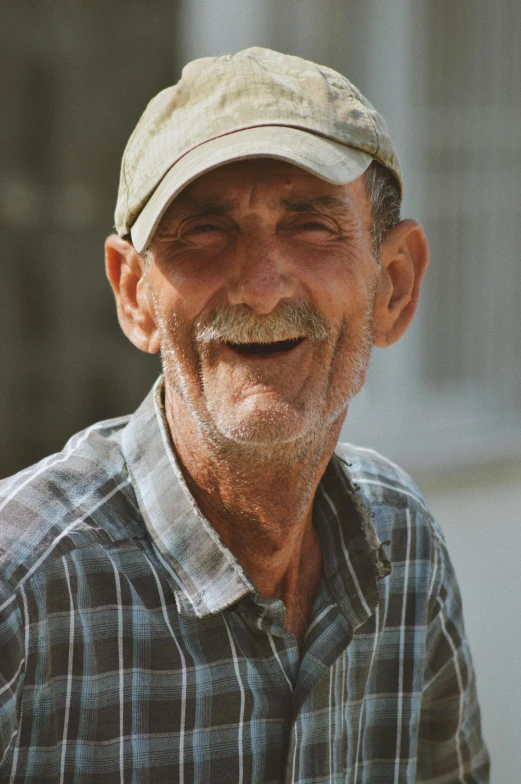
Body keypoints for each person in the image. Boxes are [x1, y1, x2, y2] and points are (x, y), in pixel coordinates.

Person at [0, 47, 489, 783]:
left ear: (392, 285)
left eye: (311, 226)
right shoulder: (21, 591)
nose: (260, 288)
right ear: (134, 295)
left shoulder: (404, 548)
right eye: (202, 230)